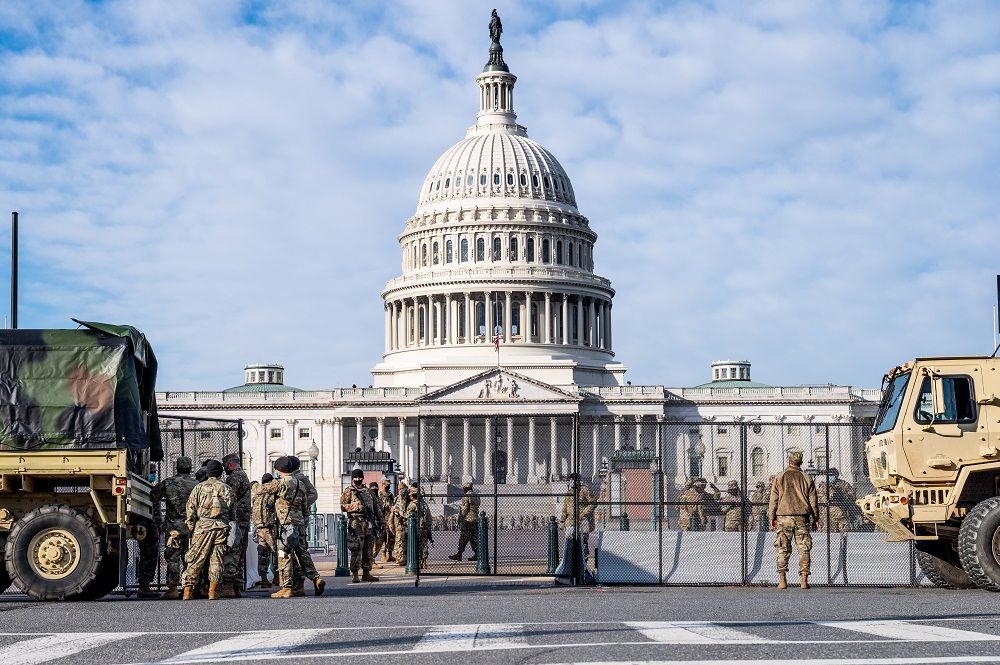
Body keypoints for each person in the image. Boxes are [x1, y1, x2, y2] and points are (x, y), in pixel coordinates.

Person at [257, 456, 325, 598]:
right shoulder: (300, 484)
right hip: (299, 524)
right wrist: (303, 520)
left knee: (284, 555)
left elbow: (259, 490)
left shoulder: (280, 483)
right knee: (302, 553)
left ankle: (286, 587)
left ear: (279, 470)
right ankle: (316, 578)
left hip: (285, 525)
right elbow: (305, 507)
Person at [182, 460, 235, 600]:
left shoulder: (199, 488)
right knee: (217, 559)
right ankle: (213, 591)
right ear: (220, 473)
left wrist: (191, 526)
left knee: (195, 558)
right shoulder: (227, 488)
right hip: (221, 527)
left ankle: (188, 591)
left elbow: (190, 509)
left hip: (203, 526)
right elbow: (232, 513)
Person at [768, 451, 819, 589]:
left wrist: (772, 517)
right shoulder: (806, 478)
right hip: (802, 517)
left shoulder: (780, 477)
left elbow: (774, 500)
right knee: (804, 549)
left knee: (782, 549)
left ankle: (783, 580)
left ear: (789, 461)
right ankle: (804, 580)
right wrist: (816, 517)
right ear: (801, 462)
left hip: (783, 517)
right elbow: (813, 500)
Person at [151, 456, 198, 599]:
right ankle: (190, 588)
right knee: (190, 558)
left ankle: (172, 589)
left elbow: (153, 497)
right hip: (192, 528)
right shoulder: (196, 484)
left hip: (173, 528)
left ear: (176, 468)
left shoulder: (168, 483)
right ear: (190, 469)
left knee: (173, 558)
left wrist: (158, 521)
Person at [218, 453, 251, 597]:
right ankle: (237, 586)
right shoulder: (243, 475)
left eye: (225, 465)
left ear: (230, 464)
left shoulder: (234, 478)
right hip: (243, 520)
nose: (224, 468)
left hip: (235, 520)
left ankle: (229, 586)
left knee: (232, 552)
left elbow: (228, 498)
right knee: (240, 554)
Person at [341, 469, 382, 582]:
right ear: (353, 478)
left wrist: (381, 521)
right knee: (356, 548)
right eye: (356, 478)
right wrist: (357, 507)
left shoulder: (368, 491)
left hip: (368, 523)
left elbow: (376, 507)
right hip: (356, 523)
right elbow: (343, 506)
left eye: (360, 477)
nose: (358, 479)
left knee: (368, 548)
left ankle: (366, 572)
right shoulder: (349, 491)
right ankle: (355, 574)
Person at [135, 467, 162, 599]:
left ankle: (144, 585)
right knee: (149, 556)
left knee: (147, 555)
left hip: (144, 527)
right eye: (152, 472)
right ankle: (144, 586)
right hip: (148, 528)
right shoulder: (148, 488)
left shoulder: (141, 486)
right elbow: (151, 513)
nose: (153, 475)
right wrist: (155, 528)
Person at [560, 473, 596, 561]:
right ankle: (571, 562)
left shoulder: (584, 490)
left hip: (582, 520)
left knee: (583, 542)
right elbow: (565, 508)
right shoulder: (569, 492)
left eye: (572, 480)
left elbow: (593, 503)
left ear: (576, 481)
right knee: (570, 542)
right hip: (570, 520)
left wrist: (583, 513)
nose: (570, 482)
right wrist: (562, 521)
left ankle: (584, 562)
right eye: (570, 480)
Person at [250, 473, 277, 590]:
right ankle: (278, 576)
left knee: (262, 553)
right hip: (269, 527)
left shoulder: (256, 496)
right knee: (277, 551)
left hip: (258, 528)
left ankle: (264, 579)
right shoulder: (271, 495)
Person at [815, 468, 856, 533]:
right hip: (828, 514)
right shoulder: (823, 486)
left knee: (844, 533)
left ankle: (843, 542)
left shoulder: (843, 484)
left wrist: (843, 495)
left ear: (836, 475)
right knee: (829, 533)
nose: (831, 477)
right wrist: (830, 497)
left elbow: (852, 495)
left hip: (842, 512)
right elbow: (820, 498)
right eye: (829, 475)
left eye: (833, 475)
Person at [403, 485, 432, 570]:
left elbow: (407, 515)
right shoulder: (424, 504)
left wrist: (399, 511)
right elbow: (429, 516)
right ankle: (424, 561)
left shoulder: (412, 505)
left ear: (413, 496)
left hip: (416, 527)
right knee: (424, 544)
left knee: (416, 544)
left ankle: (418, 562)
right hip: (424, 526)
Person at [449, 482, 480, 561]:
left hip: (468, 519)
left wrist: (461, 518)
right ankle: (477, 554)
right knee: (474, 537)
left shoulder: (466, 496)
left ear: (465, 488)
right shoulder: (476, 496)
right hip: (475, 519)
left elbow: (465, 508)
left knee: (464, 537)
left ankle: (459, 553)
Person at [374, 478, 396, 563]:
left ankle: (390, 554)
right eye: (386, 485)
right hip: (382, 518)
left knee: (391, 536)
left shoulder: (390, 494)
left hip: (390, 518)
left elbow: (393, 504)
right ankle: (383, 555)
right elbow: (379, 506)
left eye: (389, 485)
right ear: (383, 485)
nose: (388, 486)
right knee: (383, 537)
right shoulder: (379, 494)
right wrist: (387, 506)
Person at [392, 481, 410, 567]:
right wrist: (391, 522)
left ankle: (406, 558)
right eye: (399, 489)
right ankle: (400, 558)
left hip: (406, 522)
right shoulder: (396, 499)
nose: (400, 490)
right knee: (398, 541)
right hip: (398, 523)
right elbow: (393, 511)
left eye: (402, 489)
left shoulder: (408, 498)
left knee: (406, 542)